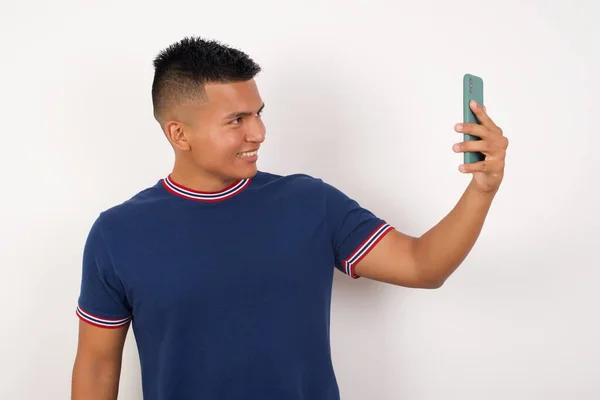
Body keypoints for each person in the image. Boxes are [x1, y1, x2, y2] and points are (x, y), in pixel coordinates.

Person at [71, 36, 508, 400]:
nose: (258, 132)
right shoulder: (117, 233)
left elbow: (422, 266)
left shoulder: (309, 202)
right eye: (236, 120)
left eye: (259, 113)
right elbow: (96, 365)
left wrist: (482, 189)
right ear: (178, 133)